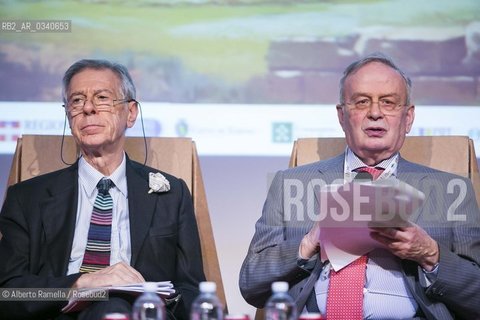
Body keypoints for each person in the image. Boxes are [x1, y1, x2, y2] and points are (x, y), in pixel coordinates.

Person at [239, 52, 480, 319]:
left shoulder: (452, 191)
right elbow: (251, 285)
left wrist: (430, 255)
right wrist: (309, 243)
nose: (375, 113)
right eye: (362, 102)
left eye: (388, 103)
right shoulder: (289, 185)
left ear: (408, 118)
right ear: (342, 116)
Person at [0, 59, 205, 319]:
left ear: (131, 113)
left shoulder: (171, 194)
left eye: (102, 98)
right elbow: (8, 292)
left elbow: (191, 291)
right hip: (59, 314)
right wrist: (81, 284)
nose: (87, 108)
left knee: (115, 307)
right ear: (68, 116)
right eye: (76, 101)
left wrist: (153, 297)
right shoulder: (27, 198)